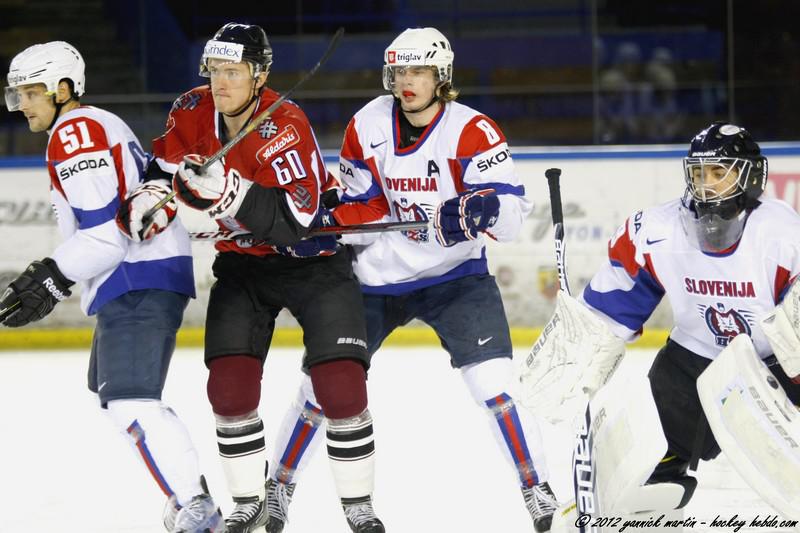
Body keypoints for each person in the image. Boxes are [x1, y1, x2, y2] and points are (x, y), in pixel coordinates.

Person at [262, 27, 558, 533]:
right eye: (400, 71)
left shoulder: (472, 130)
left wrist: (477, 207)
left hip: (455, 277)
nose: (407, 82)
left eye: (418, 71)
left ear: (441, 76)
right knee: (318, 389)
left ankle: (537, 486)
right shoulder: (368, 123)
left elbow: (510, 215)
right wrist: (330, 223)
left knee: (495, 386)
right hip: (375, 278)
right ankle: (277, 487)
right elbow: (367, 204)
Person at [121, 22, 384, 533]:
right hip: (243, 267)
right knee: (229, 389)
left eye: (233, 72)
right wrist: (151, 198)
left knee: (341, 390)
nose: (220, 83)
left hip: (314, 262)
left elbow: (297, 222)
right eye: (214, 71)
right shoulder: (190, 110)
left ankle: (358, 506)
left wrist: (228, 193)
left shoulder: (285, 124)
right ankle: (249, 501)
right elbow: (161, 170)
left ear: (259, 75)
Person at [523, 122, 800, 523]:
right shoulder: (658, 230)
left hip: (771, 364)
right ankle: (664, 465)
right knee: (661, 404)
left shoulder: (781, 232)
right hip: (693, 358)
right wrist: (580, 344)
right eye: (700, 173)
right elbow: (613, 304)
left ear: (749, 176)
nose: (707, 185)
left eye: (719, 173)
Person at [2, 42, 222, 532]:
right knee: (110, 393)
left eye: (32, 93)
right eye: (17, 96)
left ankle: (197, 509)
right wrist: (59, 276)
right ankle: (188, 497)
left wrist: (53, 276)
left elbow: (108, 232)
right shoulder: (86, 125)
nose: (25, 105)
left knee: (130, 399)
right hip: (130, 275)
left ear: (64, 89)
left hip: (135, 274)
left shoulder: (76, 129)